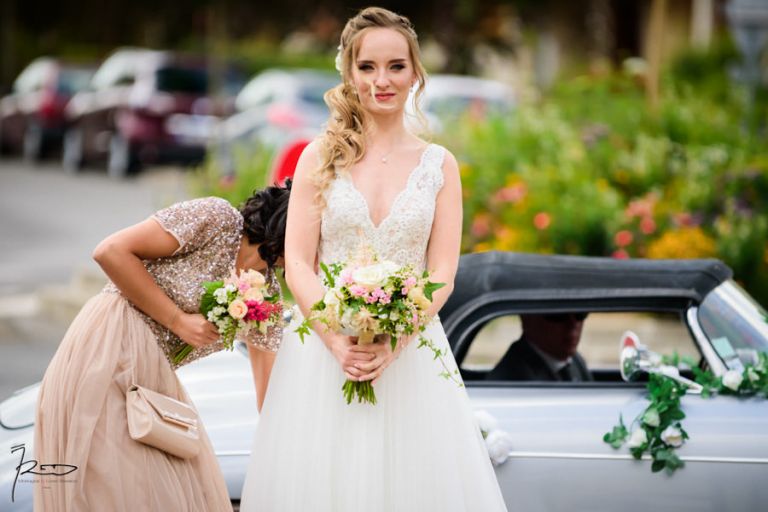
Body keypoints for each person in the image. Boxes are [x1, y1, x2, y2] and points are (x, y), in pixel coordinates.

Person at [240, 7, 507, 512]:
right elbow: (298, 262)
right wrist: (338, 342)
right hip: (321, 354)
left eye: (395, 66)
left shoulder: (440, 166)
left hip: (412, 359)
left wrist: (395, 342)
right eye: (367, 67)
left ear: (415, 73)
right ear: (349, 72)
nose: (381, 81)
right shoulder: (318, 157)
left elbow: (442, 274)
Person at [33, 182, 290, 511]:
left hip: (151, 380)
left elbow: (266, 391)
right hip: (108, 346)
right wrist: (178, 321)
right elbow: (110, 251)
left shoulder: (266, 295)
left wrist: (287, 452)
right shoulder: (217, 218)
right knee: (109, 488)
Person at [487, 313, 592, 382]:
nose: (573, 324)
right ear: (526, 319)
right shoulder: (512, 378)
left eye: (580, 314)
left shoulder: (575, 360)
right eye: (559, 315)